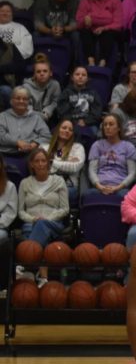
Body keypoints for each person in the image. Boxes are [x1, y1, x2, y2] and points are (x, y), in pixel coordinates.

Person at [16, 148, 68, 286]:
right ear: (31, 164)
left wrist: (47, 219)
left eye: (43, 160)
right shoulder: (24, 183)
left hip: (54, 223)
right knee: (34, 229)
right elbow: (21, 211)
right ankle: (43, 277)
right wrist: (33, 219)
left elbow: (65, 209)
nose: (40, 164)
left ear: (48, 163)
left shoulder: (58, 181)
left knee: (39, 227)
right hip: (30, 223)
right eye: (37, 161)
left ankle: (26, 265)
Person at [76, 0, 123, 67]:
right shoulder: (85, 1)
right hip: (90, 30)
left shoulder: (115, 1)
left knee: (108, 34)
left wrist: (103, 27)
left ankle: (103, 62)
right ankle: (91, 61)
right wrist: (85, 20)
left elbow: (118, 23)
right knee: (84, 32)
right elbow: (78, 22)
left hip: (108, 31)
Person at [87, 113, 136, 198]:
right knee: (88, 195)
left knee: (127, 196)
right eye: (105, 125)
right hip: (100, 186)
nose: (107, 127)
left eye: (111, 124)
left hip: (121, 187)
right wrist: (99, 186)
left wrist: (118, 187)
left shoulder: (128, 146)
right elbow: (92, 170)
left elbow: (132, 173)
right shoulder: (97, 145)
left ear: (118, 128)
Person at [32, 0, 81, 66]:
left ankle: (75, 65)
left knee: (76, 35)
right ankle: (37, 64)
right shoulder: (42, 0)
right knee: (35, 34)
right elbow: (38, 23)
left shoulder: (74, 1)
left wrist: (64, 29)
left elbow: (75, 22)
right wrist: (50, 31)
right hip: (47, 29)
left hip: (66, 30)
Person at [0, 87, 51, 157]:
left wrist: (34, 144)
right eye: (18, 98)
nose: (21, 101)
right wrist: (17, 142)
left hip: (30, 156)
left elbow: (47, 136)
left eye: (25, 99)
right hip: (5, 155)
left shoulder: (36, 117)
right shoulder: (3, 116)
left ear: (28, 102)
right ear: (11, 101)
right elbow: (1, 135)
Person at [48, 118, 85, 204]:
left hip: (68, 186)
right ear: (57, 130)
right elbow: (41, 168)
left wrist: (51, 162)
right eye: (64, 128)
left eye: (70, 130)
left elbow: (74, 167)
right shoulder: (46, 147)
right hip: (48, 184)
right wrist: (67, 163)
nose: (67, 131)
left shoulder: (78, 148)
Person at [23, 55, 60, 124]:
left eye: (45, 71)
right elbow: (26, 106)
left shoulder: (55, 85)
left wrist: (47, 111)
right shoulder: (26, 87)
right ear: (34, 74)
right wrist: (38, 116)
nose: (42, 74)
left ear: (50, 73)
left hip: (49, 117)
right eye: (38, 71)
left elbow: (55, 102)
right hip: (30, 119)